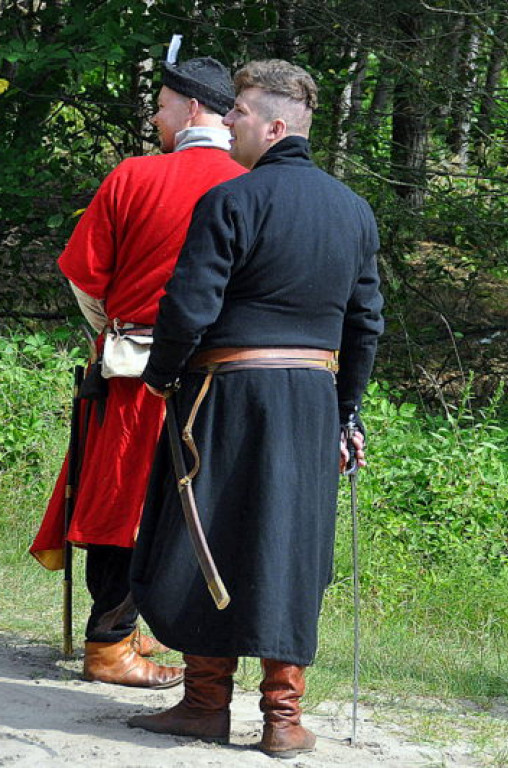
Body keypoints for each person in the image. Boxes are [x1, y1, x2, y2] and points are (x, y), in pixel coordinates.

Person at [126, 59, 384, 759]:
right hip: (308, 404)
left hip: (224, 395)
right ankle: (280, 719)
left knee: (203, 534)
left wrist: (160, 378)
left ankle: (210, 703)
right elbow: (365, 327)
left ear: (274, 126)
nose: (228, 120)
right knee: (287, 545)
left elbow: (190, 307)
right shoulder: (353, 210)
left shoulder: (233, 201)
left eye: (238, 111)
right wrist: (345, 413)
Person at [29, 49, 245, 688]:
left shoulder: (134, 176)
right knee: (190, 506)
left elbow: (83, 274)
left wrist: (113, 334)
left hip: (135, 373)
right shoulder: (246, 181)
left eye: (161, 105)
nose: (154, 117)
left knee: (120, 506)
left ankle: (110, 642)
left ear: (192, 108)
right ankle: (115, 640)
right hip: (215, 376)